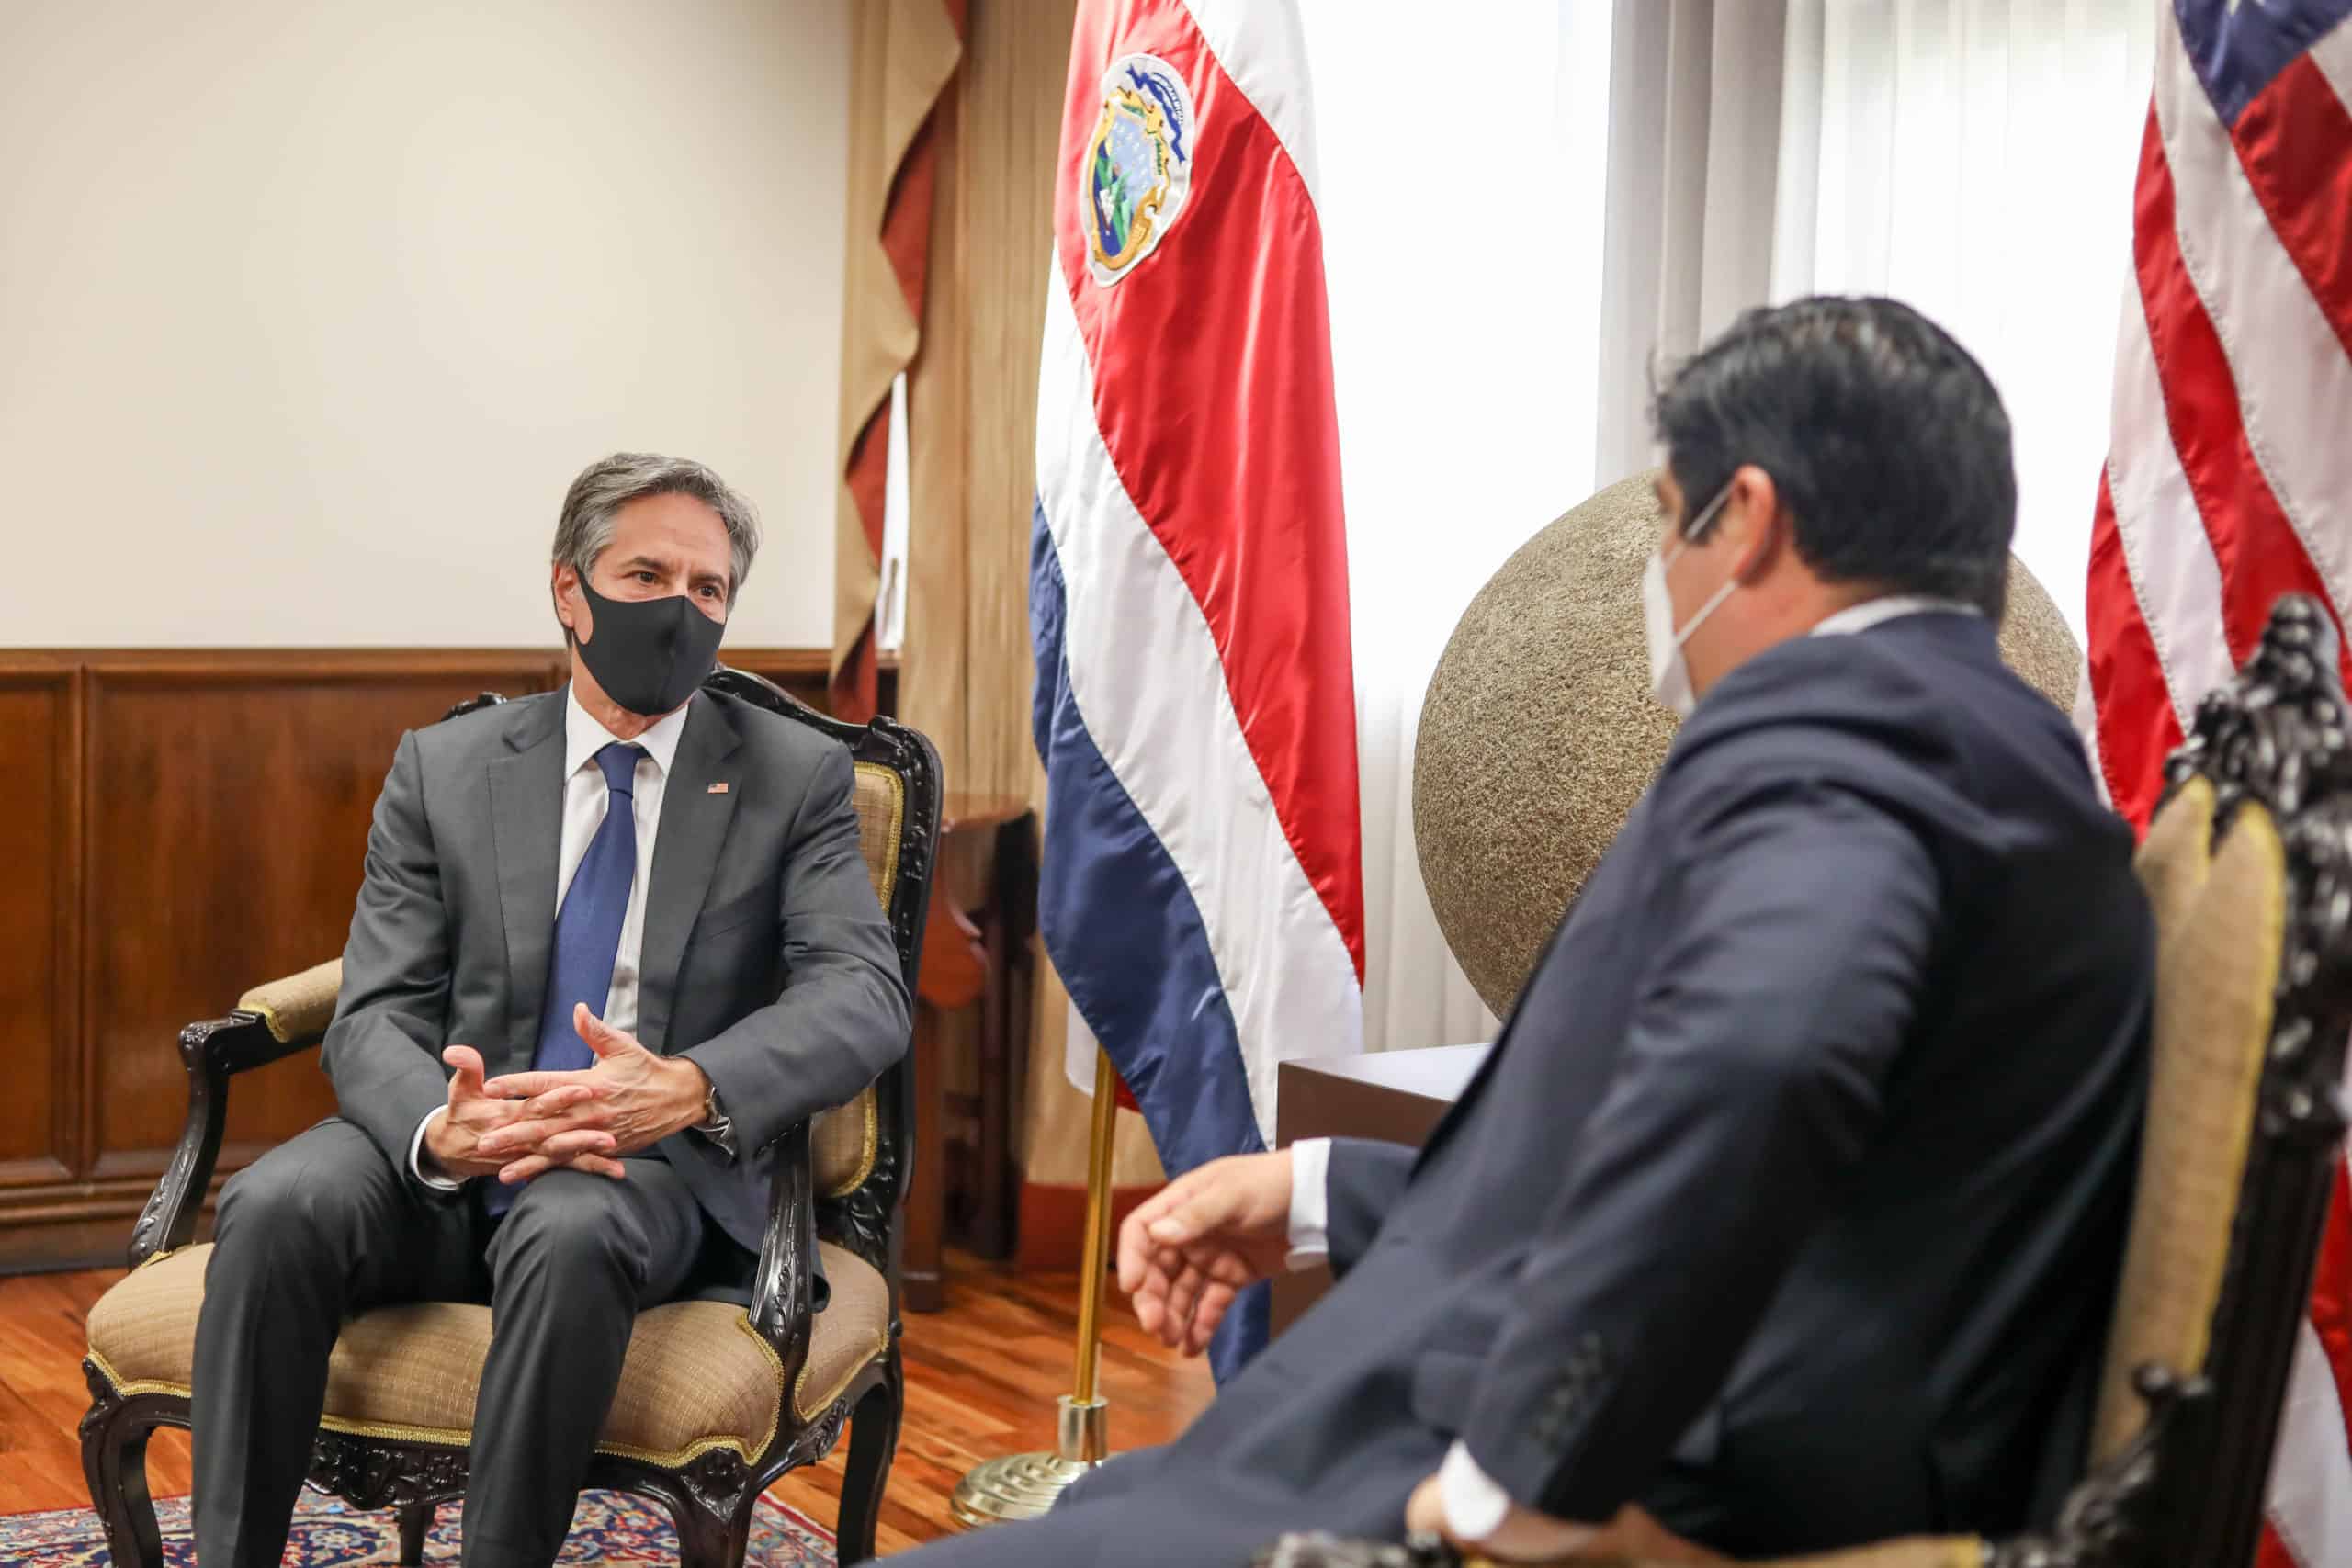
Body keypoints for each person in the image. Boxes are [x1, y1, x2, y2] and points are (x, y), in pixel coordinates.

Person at [897, 297, 2153, 1565]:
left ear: (1752, 517)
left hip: (1492, 1478)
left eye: (1669, 523)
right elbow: (1719, 1158)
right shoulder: (1989, 745)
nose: (1661, 575)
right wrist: (1318, 1186)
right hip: (1430, 1414)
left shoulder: (1851, 734)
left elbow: (1761, 1065)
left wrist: (1522, 1478)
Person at [188, 453, 911, 1567]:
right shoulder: (447, 766)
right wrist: (441, 1125)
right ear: (569, 591)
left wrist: (690, 1085)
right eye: (646, 574)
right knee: (278, 1203)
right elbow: (375, 1006)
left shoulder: (793, 773)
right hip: (447, 1140)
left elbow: (862, 993)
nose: (679, 607)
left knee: (566, 1225)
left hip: (646, 1167)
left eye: (708, 589)